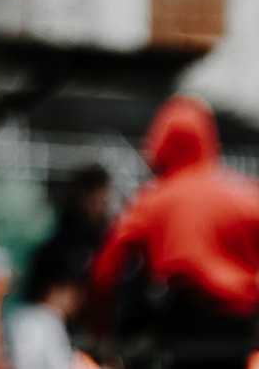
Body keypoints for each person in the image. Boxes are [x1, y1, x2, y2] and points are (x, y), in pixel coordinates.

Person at [91, 96, 259, 369]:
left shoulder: (154, 200)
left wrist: (101, 328)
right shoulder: (247, 194)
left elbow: (105, 271)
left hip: (181, 330)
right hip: (240, 331)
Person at [7, 241, 90, 369]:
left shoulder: (16, 316)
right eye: (76, 291)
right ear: (55, 289)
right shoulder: (47, 320)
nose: (80, 300)